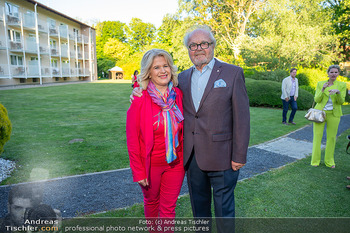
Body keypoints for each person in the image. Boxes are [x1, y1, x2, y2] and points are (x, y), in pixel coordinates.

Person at [131, 25, 250, 233]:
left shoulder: (233, 73)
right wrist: (137, 93)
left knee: (224, 210)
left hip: (223, 157)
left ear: (212, 46)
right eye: (193, 45)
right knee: (199, 212)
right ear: (188, 49)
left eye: (204, 43)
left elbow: (242, 118)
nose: (199, 49)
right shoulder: (182, 80)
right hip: (192, 159)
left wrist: (239, 155)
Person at [126, 49, 185, 232]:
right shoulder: (139, 99)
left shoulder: (177, 95)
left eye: (165, 66)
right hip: (150, 165)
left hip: (176, 163)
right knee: (152, 203)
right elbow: (132, 139)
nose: (162, 71)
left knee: (168, 209)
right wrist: (138, 171)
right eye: (156, 67)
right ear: (148, 72)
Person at [311, 65, 346, 168]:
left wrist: (338, 93)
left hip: (334, 115)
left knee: (331, 138)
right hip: (320, 114)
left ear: (338, 73)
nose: (333, 74)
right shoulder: (321, 83)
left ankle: (329, 161)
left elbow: (341, 101)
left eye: (336, 72)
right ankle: (315, 161)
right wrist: (323, 89)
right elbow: (317, 100)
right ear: (328, 73)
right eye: (331, 72)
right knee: (317, 137)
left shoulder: (342, 85)